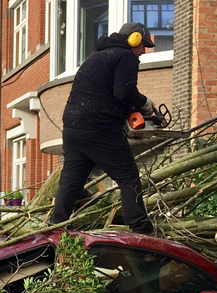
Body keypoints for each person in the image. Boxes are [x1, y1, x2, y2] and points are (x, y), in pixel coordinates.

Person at [49, 22, 157, 235]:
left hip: (72, 127)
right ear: (134, 39)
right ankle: (141, 229)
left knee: (71, 183)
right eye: (143, 45)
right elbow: (124, 92)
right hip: (99, 127)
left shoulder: (94, 57)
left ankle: (54, 227)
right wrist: (144, 103)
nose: (144, 51)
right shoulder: (125, 56)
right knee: (128, 177)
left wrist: (128, 111)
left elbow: (106, 94)